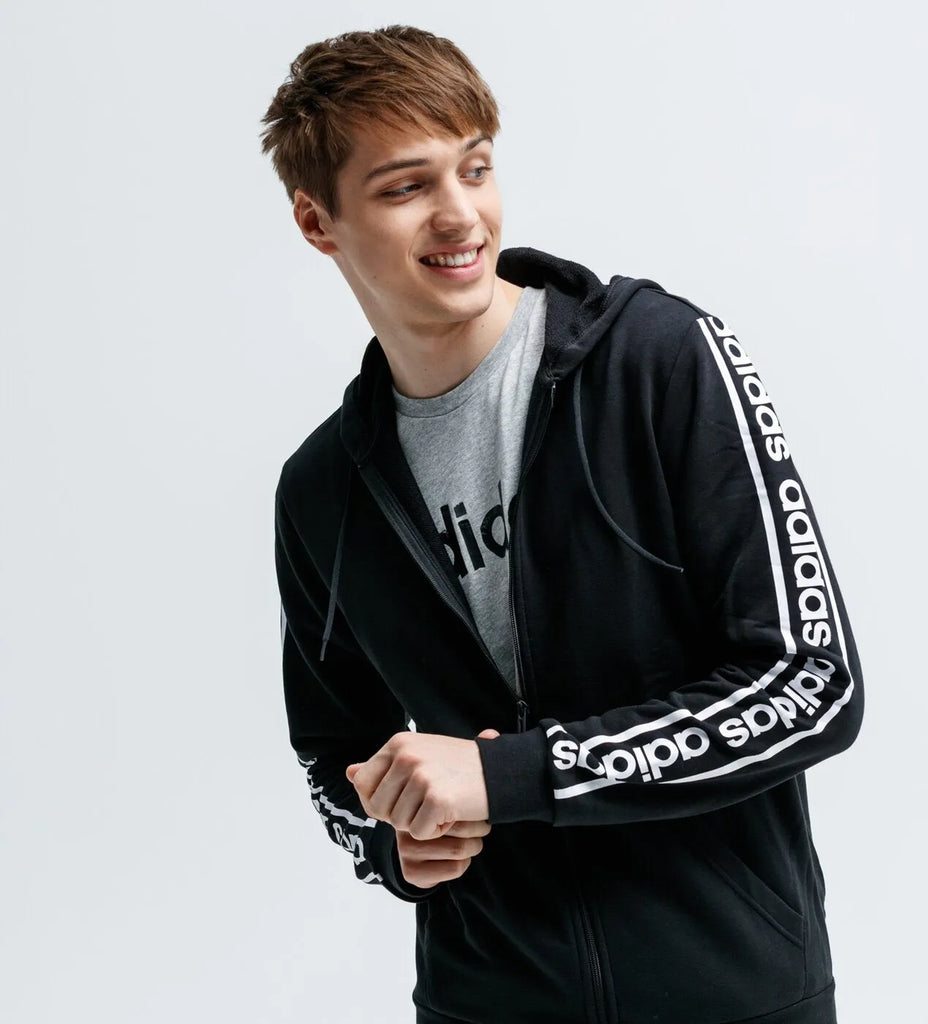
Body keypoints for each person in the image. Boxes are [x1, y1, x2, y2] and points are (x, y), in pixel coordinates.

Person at [262, 24, 863, 1024]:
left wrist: (510, 776)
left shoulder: (658, 361)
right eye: (406, 187)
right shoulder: (323, 490)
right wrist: (388, 839)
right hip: (485, 1000)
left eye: (475, 168)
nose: (460, 214)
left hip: (730, 994)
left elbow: (810, 682)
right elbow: (332, 750)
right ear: (318, 222)